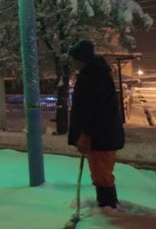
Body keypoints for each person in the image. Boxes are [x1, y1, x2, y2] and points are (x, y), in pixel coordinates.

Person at [68, 39, 125, 209]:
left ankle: (109, 209)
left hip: (100, 137)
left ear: (80, 59)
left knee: (102, 176)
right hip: (101, 136)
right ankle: (107, 207)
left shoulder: (93, 76)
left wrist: (86, 134)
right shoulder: (95, 73)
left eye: (74, 59)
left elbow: (94, 109)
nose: (73, 63)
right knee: (100, 175)